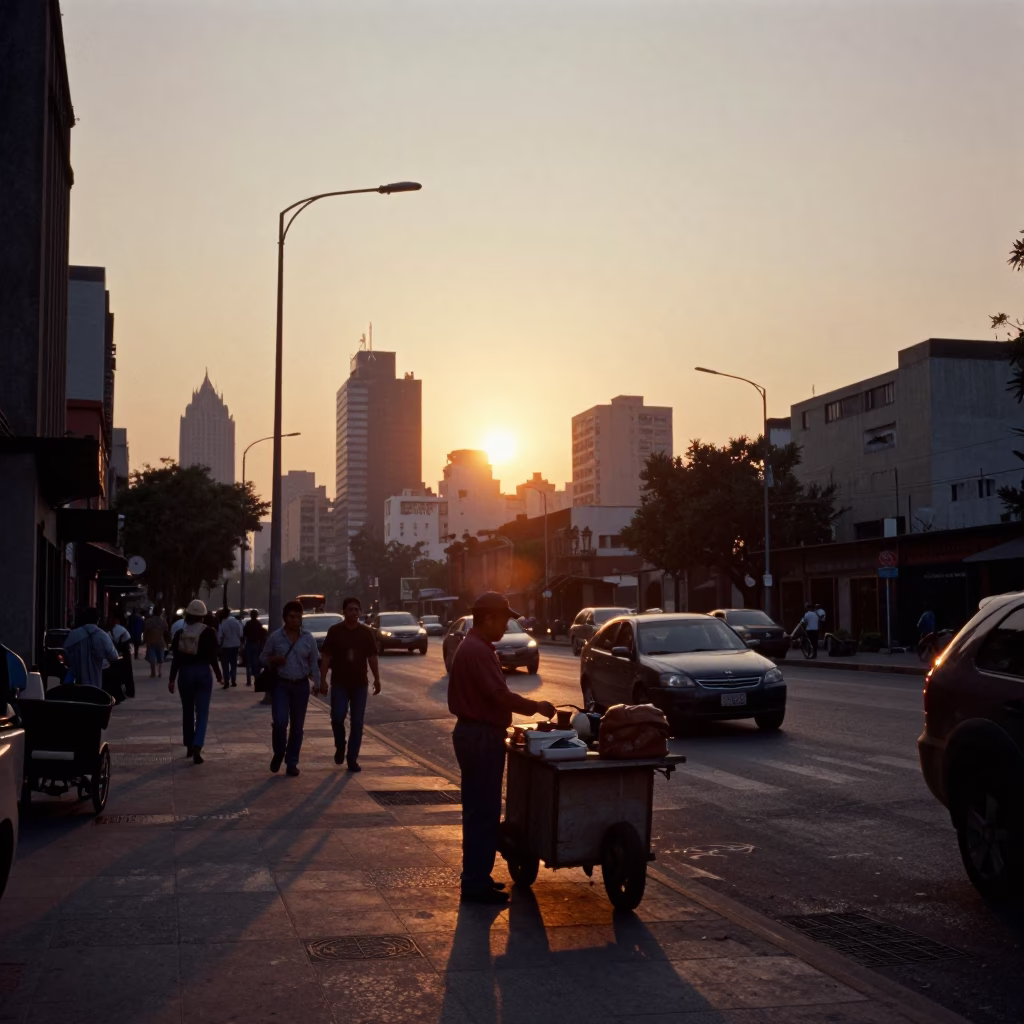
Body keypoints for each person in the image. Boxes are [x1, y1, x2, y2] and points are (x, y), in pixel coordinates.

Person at [447, 592, 557, 904]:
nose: (507, 626)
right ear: (489, 618)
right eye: (505, 619)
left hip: (478, 735)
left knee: (481, 811)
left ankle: (477, 877)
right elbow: (498, 694)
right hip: (479, 736)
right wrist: (536, 705)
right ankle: (474, 884)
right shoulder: (477, 651)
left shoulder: (477, 647)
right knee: (483, 813)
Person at [319, 596, 380, 772]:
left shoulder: (366, 632)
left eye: (357, 610)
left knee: (357, 722)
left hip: (360, 684)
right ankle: (340, 744)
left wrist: (377, 678)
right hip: (339, 683)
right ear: (344, 612)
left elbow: (372, 657)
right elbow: (326, 657)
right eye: (351, 609)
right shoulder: (335, 631)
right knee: (337, 717)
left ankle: (352, 758)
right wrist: (323, 680)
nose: (354, 613)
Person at [261, 600, 320, 777]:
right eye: (292, 617)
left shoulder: (308, 638)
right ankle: (279, 752)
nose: (295, 620)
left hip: (301, 686)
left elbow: (314, 663)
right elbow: (262, 658)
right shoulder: (275, 637)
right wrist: (273, 660)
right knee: (279, 722)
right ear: (285, 618)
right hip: (281, 685)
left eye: (298, 617)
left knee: (297, 726)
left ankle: (292, 761)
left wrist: (317, 682)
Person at [168, 599, 222, 765]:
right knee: (203, 712)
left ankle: (189, 745)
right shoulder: (209, 632)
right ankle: (198, 744)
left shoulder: (180, 633)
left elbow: (176, 658)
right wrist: (219, 674)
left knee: (187, 710)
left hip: (185, 673)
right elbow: (213, 656)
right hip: (203, 672)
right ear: (203, 616)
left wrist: (171, 679)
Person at [63, 607, 120, 687]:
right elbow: (114, 656)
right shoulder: (102, 635)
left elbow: (66, 656)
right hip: (96, 680)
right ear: (98, 619)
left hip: (75, 681)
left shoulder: (74, 634)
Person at [105, 609, 135, 701]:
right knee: (127, 674)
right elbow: (128, 642)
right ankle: (129, 691)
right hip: (123, 655)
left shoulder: (108, 630)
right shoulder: (122, 630)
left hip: (115, 655)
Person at [217, 609, 243, 689]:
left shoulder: (222, 624)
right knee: (233, 663)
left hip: (226, 646)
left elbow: (220, 636)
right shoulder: (236, 622)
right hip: (235, 645)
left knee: (225, 665)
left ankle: (226, 681)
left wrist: (218, 644)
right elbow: (241, 633)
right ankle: (233, 680)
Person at [242, 609, 267, 687]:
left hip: (249, 644)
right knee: (256, 663)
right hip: (256, 644)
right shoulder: (258, 624)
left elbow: (244, 634)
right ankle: (256, 680)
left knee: (248, 663)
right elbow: (262, 635)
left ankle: (249, 681)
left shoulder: (248, 624)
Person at [143, 608, 169, 678]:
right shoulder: (162, 621)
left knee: (152, 658)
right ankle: (159, 671)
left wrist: (144, 640)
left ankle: (153, 672)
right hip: (160, 641)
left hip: (150, 641)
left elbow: (145, 632)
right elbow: (166, 629)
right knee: (160, 657)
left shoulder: (149, 621)